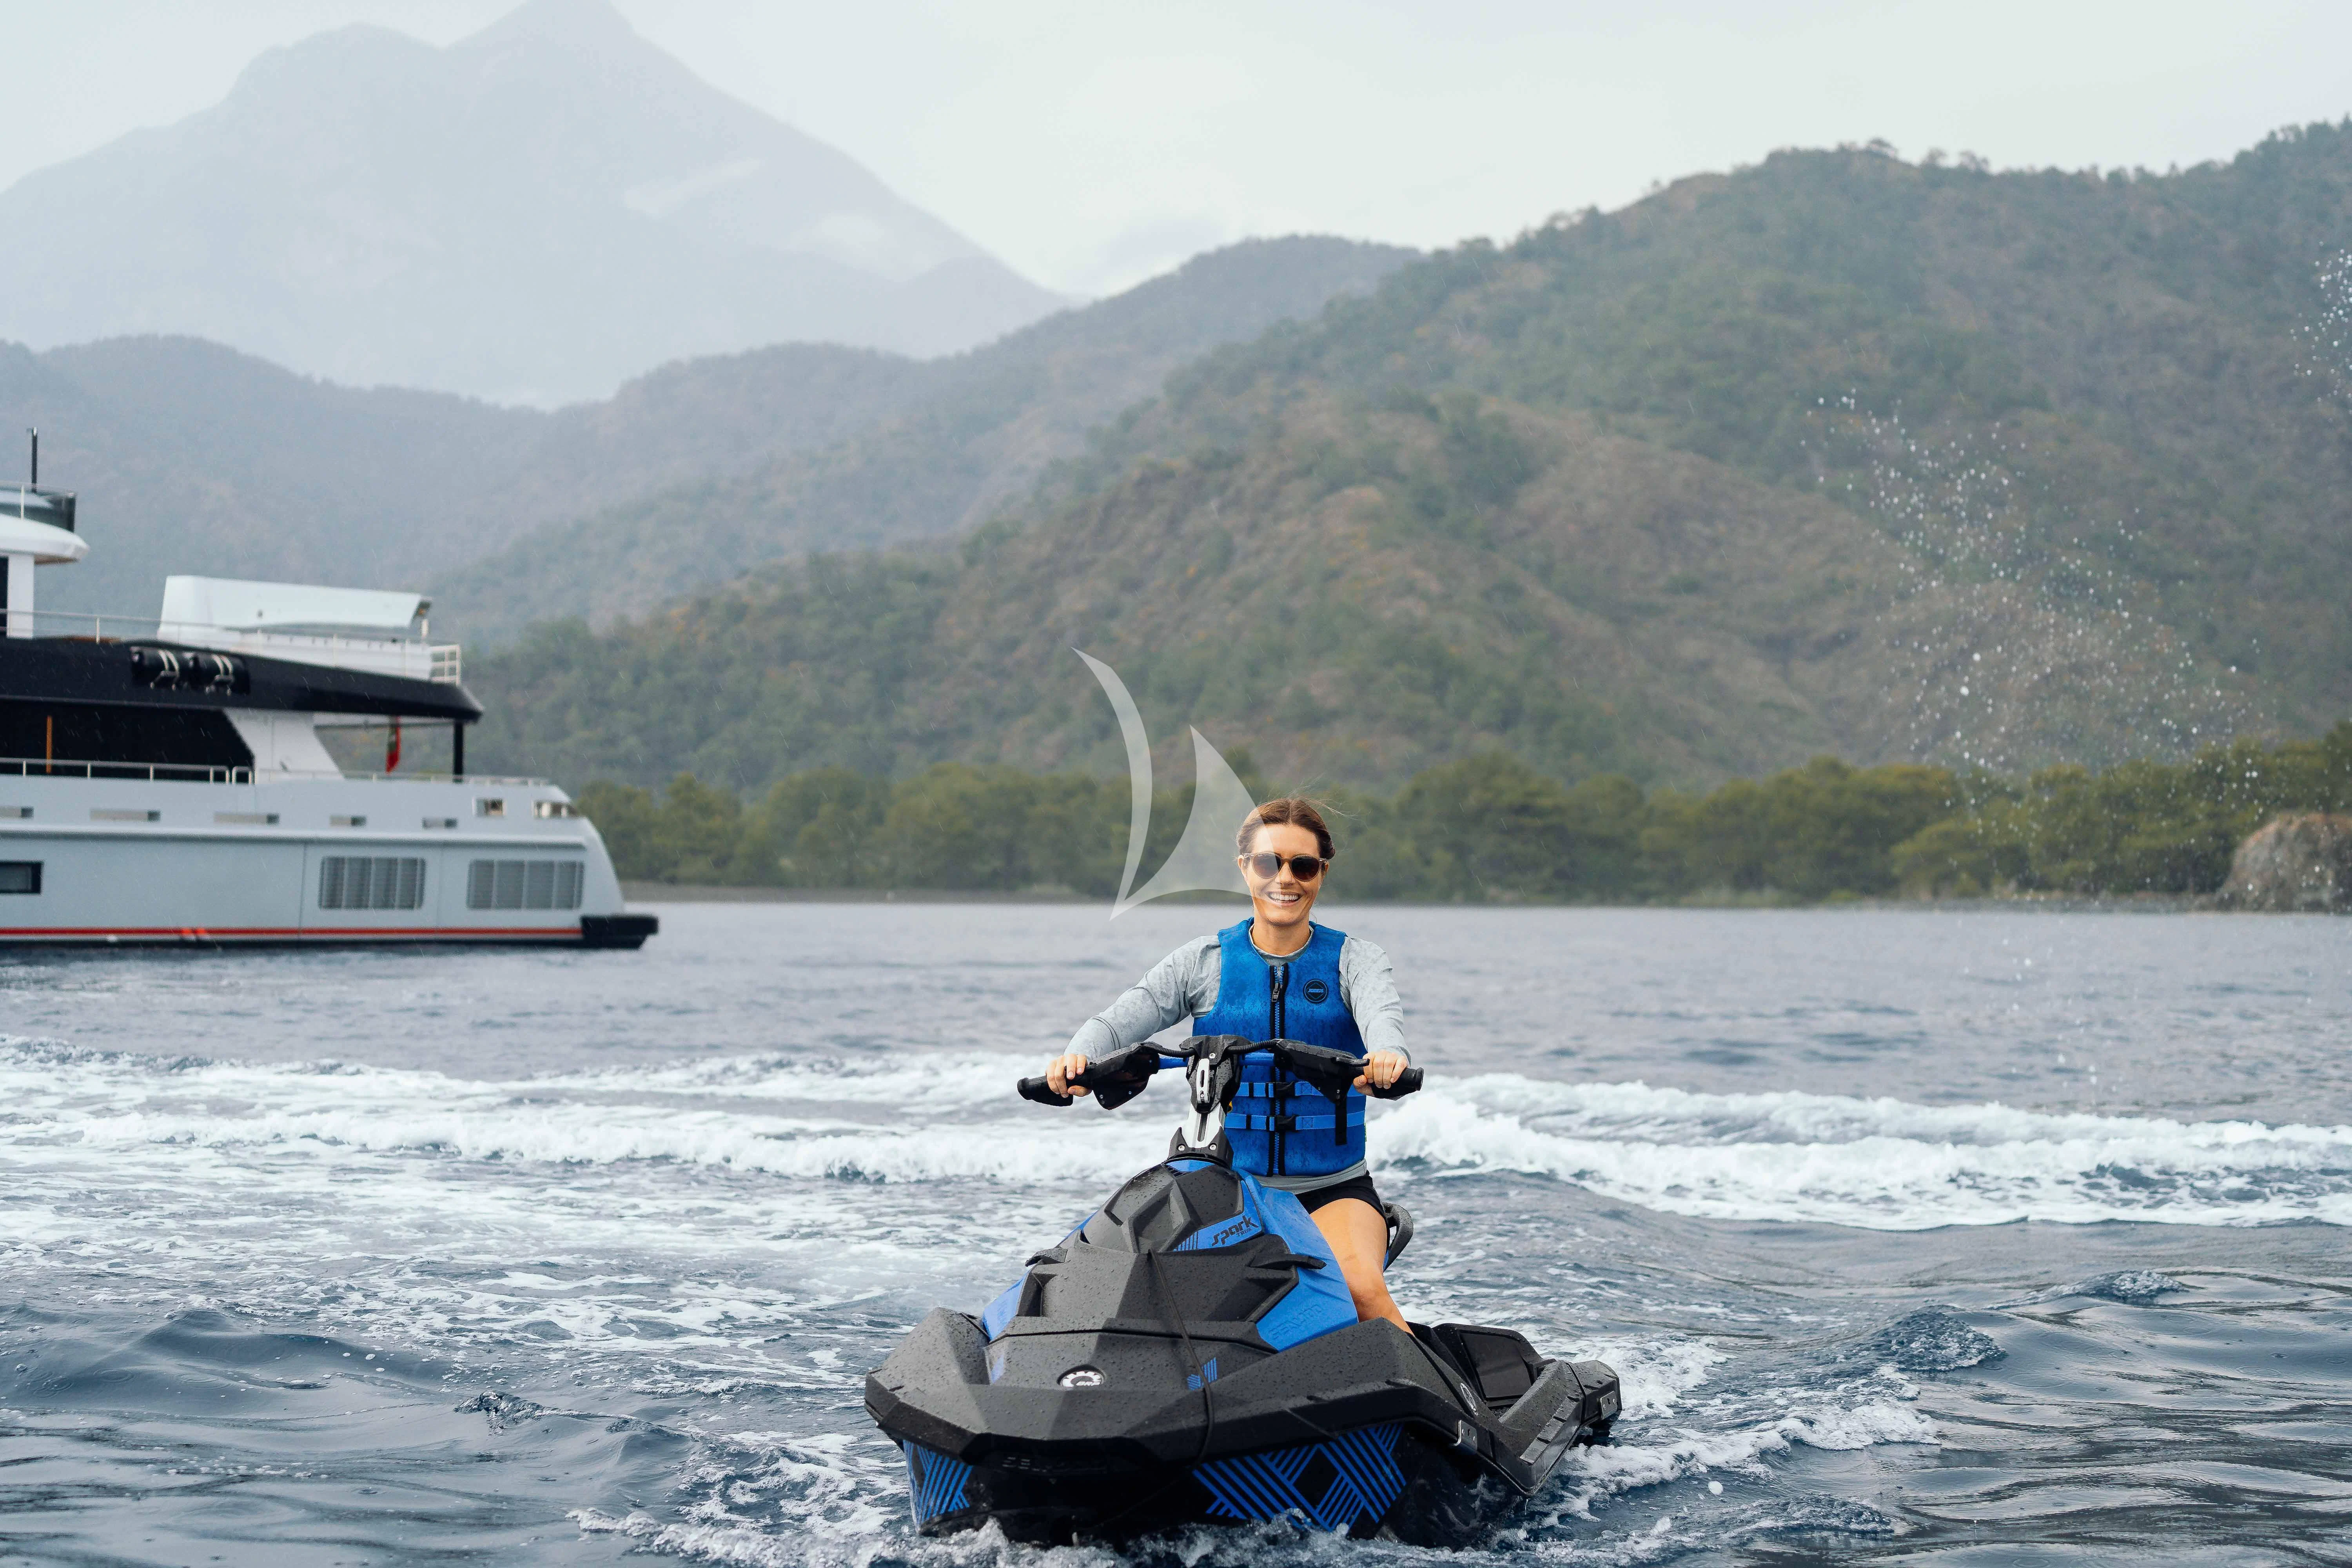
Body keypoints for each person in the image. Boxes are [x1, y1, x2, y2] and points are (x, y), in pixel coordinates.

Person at [1045, 797, 1412, 1329]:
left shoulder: (1356, 960)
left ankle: (1438, 1409)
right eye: (1268, 863)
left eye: (1302, 866)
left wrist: (1388, 1060)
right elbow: (1115, 1024)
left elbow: (1384, 1021)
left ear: (1321, 873)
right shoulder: (1202, 962)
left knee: (1358, 1290)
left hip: (1332, 1189)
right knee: (1153, 1298)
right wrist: (1076, 1057)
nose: (1285, 879)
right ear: (1245, 868)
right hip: (1223, 1185)